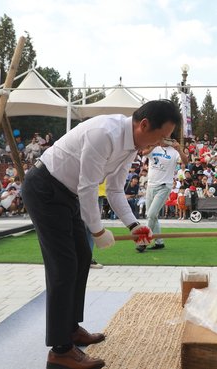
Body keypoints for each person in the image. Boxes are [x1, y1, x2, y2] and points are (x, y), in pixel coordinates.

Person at [21, 100, 177, 369]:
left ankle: (70, 328)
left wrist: (133, 225)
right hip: (45, 189)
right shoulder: (104, 133)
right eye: (162, 135)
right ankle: (60, 351)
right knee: (64, 266)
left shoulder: (133, 145)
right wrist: (97, 229)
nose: (163, 142)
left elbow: (115, 190)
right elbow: (88, 187)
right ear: (144, 125)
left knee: (82, 256)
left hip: (67, 193)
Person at [142, 138, 189, 252]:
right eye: (162, 137)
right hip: (151, 185)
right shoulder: (154, 147)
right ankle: (159, 242)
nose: (165, 140)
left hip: (164, 186)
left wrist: (179, 149)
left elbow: (186, 162)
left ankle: (143, 241)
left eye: (168, 139)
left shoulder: (174, 151)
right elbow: (143, 152)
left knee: (151, 213)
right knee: (153, 215)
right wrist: (154, 144)